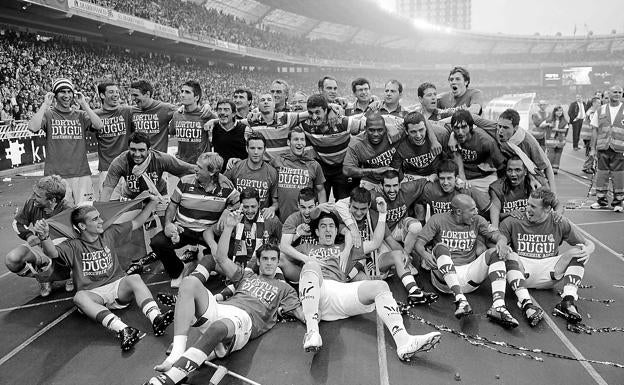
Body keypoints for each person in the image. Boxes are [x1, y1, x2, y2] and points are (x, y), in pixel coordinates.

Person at [145, 211, 302, 385]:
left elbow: (303, 313)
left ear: (278, 261)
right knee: (189, 282)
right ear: (258, 261)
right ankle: (177, 354)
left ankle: (169, 378)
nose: (269, 262)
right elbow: (219, 257)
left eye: (273, 259)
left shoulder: (285, 289)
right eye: (265, 259)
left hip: (244, 319)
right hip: (223, 308)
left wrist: (314, 325)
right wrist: (228, 228)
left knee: (218, 327)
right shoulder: (246, 276)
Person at [34, 197, 174, 351]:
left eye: (99, 217)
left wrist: (153, 203)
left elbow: (137, 222)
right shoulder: (73, 245)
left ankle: (156, 318)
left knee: (134, 278)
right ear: (82, 225)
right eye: (95, 219)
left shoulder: (109, 233)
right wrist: (44, 237)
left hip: (117, 286)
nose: (101, 221)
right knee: (79, 297)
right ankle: (123, 330)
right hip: (93, 294)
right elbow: (52, 252)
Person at [297, 210, 442, 360]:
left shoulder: (345, 248)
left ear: (336, 231)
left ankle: (404, 341)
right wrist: (297, 236)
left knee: (380, 286)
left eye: (331, 226)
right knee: (311, 265)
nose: (328, 229)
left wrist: (382, 214)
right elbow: (279, 258)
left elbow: (375, 243)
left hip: (340, 292)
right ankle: (312, 332)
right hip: (318, 292)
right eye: (323, 226)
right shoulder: (306, 248)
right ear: (316, 231)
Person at [414, 194, 519, 329]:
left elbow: (497, 235)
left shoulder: (477, 220)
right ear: (458, 212)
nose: (476, 212)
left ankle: (498, 306)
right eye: (472, 209)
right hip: (445, 281)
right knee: (440, 247)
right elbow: (419, 244)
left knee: (494, 253)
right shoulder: (438, 220)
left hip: (469, 275)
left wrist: (502, 242)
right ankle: (460, 300)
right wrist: (424, 254)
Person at [500, 188, 595, 326]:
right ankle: (526, 304)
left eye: (533, 206)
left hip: (550, 272)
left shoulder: (559, 221)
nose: (527, 209)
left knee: (579, 251)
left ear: (547, 209)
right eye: (527, 204)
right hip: (522, 271)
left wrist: (588, 250)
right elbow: (498, 239)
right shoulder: (514, 220)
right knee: (509, 254)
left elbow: (588, 244)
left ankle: (568, 301)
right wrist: (502, 243)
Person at [334, 187, 439, 304]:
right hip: (353, 262)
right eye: (355, 208)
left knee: (398, 255)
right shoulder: (340, 215)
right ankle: (388, 304)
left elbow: (390, 240)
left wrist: (405, 255)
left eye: (363, 209)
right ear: (349, 204)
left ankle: (414, 291)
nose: (358, 212)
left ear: (369, 205)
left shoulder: (374, 216)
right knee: (369, 285)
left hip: (373, 259)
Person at [150, 152, 240, 285]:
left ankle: (203, 261)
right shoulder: (185, 181)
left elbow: (238, 202)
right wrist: (168, 223)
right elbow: (173, 205)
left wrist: (228, 210)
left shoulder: (226, 186)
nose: (195, 169)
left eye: (199, 167)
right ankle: (178, 270)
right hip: (183, 228)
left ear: (212, 172)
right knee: (157, 242)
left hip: (209, 232)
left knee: (232, 250)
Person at [28, 78, 104, 205]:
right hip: (56, 176)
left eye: (70, 92)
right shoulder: (48, 114)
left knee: (86, 212)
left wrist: (84, 104)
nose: (67, 95)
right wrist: (45, 104)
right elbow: (33, 127)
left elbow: (99, 125)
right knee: (59, 215)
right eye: (62, 92)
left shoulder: (80, 115)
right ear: (55, 95)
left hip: (81, 173)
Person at [6, 176, 73, 297]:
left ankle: (72, 275)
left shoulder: (68, 210)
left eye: (37, 196)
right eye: (34, 193)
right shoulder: (32, 203)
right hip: (42, 251)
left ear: (52, 200)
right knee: (12, 260)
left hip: (63, 253)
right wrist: (29, 236)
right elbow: (18, 223)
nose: (33, 197)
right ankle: (44, 277)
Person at [300, 94, 365, 199]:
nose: (314, 117)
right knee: (319, 201)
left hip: (342, 167)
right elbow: (290, 116)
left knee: (343, 202)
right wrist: (330, 106)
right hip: (322, 168)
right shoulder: (305, 124)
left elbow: (367, 126)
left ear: (325, 110)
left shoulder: (342, 122)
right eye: (311, 113)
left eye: (317, 112)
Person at [100, 132, 195, 202]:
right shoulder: (120, 162)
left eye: (141, 150)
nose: (137, 154)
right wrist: (101, 215)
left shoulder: (161, 159)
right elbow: (107, 190)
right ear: (128, 148)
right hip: (131, 199)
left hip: (158, 196)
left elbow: (189, 169)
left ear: (149, 150)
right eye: (133, 150)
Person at [211, 188, 282, 270]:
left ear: (259, 204)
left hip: (263, 266)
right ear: (240, 205)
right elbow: (208, 232)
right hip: (239, 265)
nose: (250, 210)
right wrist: (213, 245)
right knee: (208, 260)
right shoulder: (234, 218)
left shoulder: (270, 219)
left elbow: (284, 242)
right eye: (246, 207)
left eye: (253, 206)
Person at [271, 127, 327, 222]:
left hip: (306, 219)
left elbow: (320, 190)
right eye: (296, 139)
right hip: (283, 219)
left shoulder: (314, 165)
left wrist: (321, 213)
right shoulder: (277, 162)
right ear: (289, 142)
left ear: (305, 143)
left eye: (302, 139)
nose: (299, 143)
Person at [496, 108, 557, 193]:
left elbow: (547, 166)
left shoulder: (528, 142)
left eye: (506, 128)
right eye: (499, 126)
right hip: (505, 178)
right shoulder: (495, 130)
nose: (501, 131)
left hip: (530, 178)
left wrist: (553, 193)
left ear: (515, 128)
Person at [93, 81, 134, 198]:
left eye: (117, 92)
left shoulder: (127, 111)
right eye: (111, 92)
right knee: (107, 209)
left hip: (128, 167)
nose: (116, 94)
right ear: (102, 95)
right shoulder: (95, 115)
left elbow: (148, 108)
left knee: (132, 207)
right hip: (107, 169)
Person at [450, 110, 505, 193]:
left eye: (464, 127)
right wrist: (452, 135)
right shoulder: (453, 137)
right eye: (456, 128)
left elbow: (501, 165)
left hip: (484, 177)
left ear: (470, 126)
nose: (460, 132)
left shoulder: (485, 141)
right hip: (463, 177)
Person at [589, 85, 624, 211]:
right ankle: (601, 201)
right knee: (602, 175)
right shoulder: (601, 110)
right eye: (615, 92)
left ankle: (618, 203)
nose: (617, 94)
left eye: (620, 92)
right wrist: (592, 149)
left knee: (618, 176)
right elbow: (594, 130)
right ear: (608, 93)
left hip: (620, 150)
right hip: (603, 148)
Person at [224, 133, 278, 213]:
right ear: (247, 148)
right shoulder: (235, 167)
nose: (256, 152)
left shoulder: (272, 172)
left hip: (260, 218)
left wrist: (271, 209)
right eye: (252, 148)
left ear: (265, 149)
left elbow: (275, 202)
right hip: (237, 215)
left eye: (259, 148)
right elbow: (220, 189)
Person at [343, 111, 397, 190]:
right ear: (365, 129)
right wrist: (373, 171)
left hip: (394, 179)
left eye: (380, 130)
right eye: (371, 130)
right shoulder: (357, 144)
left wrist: (394, 128)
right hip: (370, 180)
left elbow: (411, 124)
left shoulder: (394, 134)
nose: (376, 134)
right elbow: (346, 170)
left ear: (385, 129)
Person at [391, 111, 449, 182]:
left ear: (426, 127)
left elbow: (453, 158)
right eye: (413, 132)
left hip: (437, 174)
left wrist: (441, 174)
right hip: (413, 178)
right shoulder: (399, 144)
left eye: (421, 130)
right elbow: (394, 171)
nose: (418, 136)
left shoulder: (441, 134)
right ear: (406, 131)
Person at [169, 80, 212, 164]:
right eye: (182, 91)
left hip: (200, 166)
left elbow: (226, 123)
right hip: (181, 165)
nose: (182, 95)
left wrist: (214, 120)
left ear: (196, 97)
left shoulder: (205, 114)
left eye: (187, 92)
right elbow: (171, 131)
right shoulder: (177, 115)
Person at [129, 79, 178, 153]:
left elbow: (185, 112)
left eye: (136, 95)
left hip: (158, 160)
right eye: (131, 95)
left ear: (147, 94)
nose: (132, 99)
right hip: (139, 159)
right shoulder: (132, 111)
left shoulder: (165, 108)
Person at [211, 99, 249, 172]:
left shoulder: (245, 130)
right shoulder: (213, 128)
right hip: (219, 175)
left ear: (234, 113)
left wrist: (240, 161)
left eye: (226, 110)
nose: (222, 112)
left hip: (240, 173)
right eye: (219, 109)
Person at [544, 105, 569, 174]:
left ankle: (555, 169)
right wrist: (548, 125)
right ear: (554, 112)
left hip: (560, 141)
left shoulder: (564, 121)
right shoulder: (549, 120)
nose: (559, 112)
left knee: (558, 155)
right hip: (551, 141)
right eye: (558, 111)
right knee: (550, 155)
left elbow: (565, 130)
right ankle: (548, 168)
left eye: (561, 111)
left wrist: (558, 129)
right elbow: (541, 125)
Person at [581, 97, 601, 174]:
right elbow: (595, 124)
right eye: (598, 103)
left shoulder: (592, 111)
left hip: (589, 135)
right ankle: (587, 166)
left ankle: (590, 166)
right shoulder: (592, 112)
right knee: (591, 151)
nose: (599, 104)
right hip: (589, 135)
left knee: (592, 151)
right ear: (593, 103)